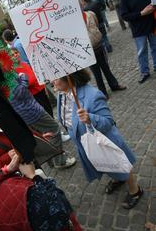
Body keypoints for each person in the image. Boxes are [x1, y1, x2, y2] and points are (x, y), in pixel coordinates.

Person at [54, 69, 143, 210]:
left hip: (103, 139)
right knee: (103, 162)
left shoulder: (93, 95)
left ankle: (135, 190)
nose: (52, 81)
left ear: (69, 79)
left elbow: (108, 122)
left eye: (56, 77)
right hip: (84, 141)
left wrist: (90, 118)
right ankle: (117, 178)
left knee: (120, 163)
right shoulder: (61, 94)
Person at [10, 73, 76, 169]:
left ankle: (51, 161)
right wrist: (23, 77)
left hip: (27, 111)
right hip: (31, 112)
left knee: (44, 135)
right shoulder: (5, 76)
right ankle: (59, 161)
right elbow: (19, 91)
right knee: (54, 130)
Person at [120, 0, 156, 83]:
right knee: (142, 51)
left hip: (153, 24)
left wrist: (154, 5)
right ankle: (144, 72)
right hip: (138, 29)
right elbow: (125, 16)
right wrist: (141, 13)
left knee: (155, 47)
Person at [82, 8, 127, 98]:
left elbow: (96, 25)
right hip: (88, 50)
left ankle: (114, 85)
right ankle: (103, 92)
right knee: (97, 73)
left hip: (98, 45)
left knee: (106, 67)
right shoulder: (74, 21)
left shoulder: (90, 14)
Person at [11, 48, 54, 116]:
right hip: (34, 96)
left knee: (50, 111)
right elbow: (22, 86)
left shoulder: (25, 64)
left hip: (42, 91)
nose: (15, 55)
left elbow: (36, 76)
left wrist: (44, 87)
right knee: (45, 114)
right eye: (12, 55)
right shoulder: (14, 71)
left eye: (16, 53)